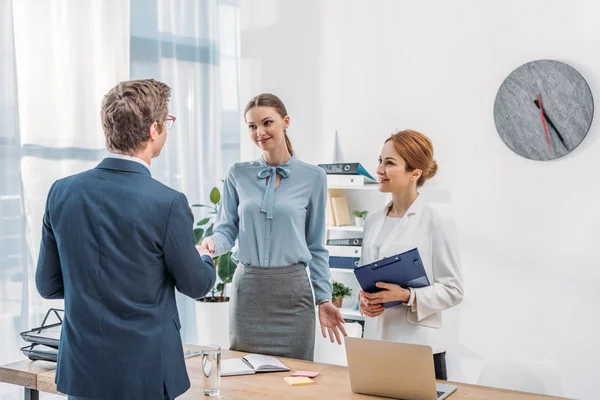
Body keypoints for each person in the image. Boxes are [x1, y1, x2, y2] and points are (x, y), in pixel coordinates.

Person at [35, 79, 216, 400]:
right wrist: (203, 256)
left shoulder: (61, 192)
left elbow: (48, 285)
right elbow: (196, 285)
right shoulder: (168, 202)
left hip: (84, 371)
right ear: (154, 130)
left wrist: (94, 286)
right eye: (168, 123)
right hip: (146, 373)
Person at [200, 93, 347, 361]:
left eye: (267, 122)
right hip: (248, 291)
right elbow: (225, 231)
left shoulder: (314, 177)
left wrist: (324, 298)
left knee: (295, 380)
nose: (260, 132)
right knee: (244, 378)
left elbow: (316, 245)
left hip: (294, 294)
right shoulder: (237, 174)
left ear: (285, 121)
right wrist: (211, 244)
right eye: (252, 126)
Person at [358, 129, 463, 380]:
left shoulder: (436, 221)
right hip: (375, 344)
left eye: (390, 163)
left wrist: (408, 296)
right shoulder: (372, 221)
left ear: (414, 173)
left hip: (418, 348)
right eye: (380, 161)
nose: (379, 169)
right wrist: (364, 302)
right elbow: (366, 277)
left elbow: (454, 290)